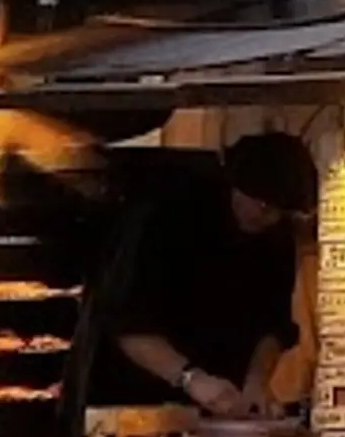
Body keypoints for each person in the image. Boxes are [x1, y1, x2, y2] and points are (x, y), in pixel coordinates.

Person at [104, 130, 316, 414]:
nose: (271, 219)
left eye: (282, 212)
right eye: (264, 207)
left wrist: (256, 380)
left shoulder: (275, 236)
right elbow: (130, 328)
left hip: (223, 405)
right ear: (236, 186)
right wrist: (192, 379)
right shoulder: (167, 218)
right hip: (139, 400)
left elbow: (272, 324)